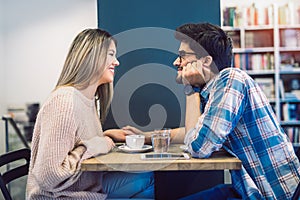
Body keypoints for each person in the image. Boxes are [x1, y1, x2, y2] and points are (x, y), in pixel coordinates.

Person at [124, 22, 300, 199]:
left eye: (182, 56)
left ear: (206, 61)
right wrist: (144, 136)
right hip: (247, 190)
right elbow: (194, 133)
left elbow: (198, 147)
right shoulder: (214, 91)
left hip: (273, 194)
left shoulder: (231, 79)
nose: (176, 62)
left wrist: (190, 89)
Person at [26, 28, 154, 199]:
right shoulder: (64, 101)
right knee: (146, 181)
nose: (116, 62)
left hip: (81, 187)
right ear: (90, 56)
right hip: (59, 196)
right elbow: (49, 176)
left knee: (147, 176)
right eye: (110, 54)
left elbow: (75, 143)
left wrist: (106, 137)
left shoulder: (88, 100)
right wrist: (98, 144)